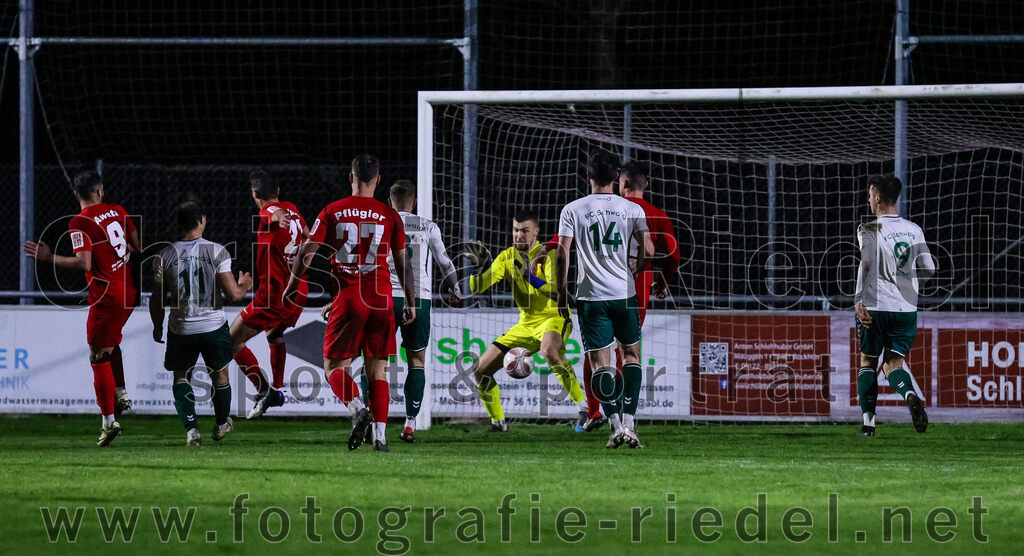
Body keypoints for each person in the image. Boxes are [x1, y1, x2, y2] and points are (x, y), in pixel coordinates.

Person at [283, 154, 416, 453]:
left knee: (334, 367)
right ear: (378, 180)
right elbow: (403, 262)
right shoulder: (389, 214)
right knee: (377, 371)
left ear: (350, 177)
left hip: (349, 296)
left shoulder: (333, 210)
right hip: (382, 298)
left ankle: (357, 408)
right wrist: (410, 301)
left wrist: (292, 285)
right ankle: (380, 437)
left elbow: (307, 251)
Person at [24, 170, 140, 446]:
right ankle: (121, 393)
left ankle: (109, 422)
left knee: (98, 355)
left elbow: (84, 263)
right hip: (128, 293)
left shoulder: (79, 222)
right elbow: (136, 246)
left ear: (77, 195)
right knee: (110, 343)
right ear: (100, 191)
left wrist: (49, 257)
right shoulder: (117, 210)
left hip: (108, 297)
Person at [555, 151, 652, 448]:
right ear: (615, 178)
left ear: (588, 177)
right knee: (632, 356)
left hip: (591, 297)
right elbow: (648, 246)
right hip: (624, 294)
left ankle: (614, 427)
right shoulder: (631, 208)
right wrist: (638, 267)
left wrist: (561, 293)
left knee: (600, 365)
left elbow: (562, 253)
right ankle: (631, 424)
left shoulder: (573, 209)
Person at [465, 209, 588, 432]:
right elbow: (477, 288)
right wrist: (478, 269)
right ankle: (498, 422)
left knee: (549, 350)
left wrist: (530, 278)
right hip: (525, 324)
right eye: (515, 230)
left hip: (554, 317)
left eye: (524, 231)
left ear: (536, 232)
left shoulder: (548, 254)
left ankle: (584, 409)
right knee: (479, 370)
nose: (518, 235)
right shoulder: (507, 257)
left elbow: (558, 293)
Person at [151, 203, 252, 445]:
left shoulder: (164, 255)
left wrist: (157, 325)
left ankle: (191, 430)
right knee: (220, 375)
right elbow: (235, 295)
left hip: (181, 327)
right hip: (213, 326)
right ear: (201, 221)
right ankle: (220, 424)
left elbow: (157, 299)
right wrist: (246, 284)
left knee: (180, 377)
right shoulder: (217, 251)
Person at [854, 174, 935, 436]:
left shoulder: (869, 229)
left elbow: (866, 265)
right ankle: (910, 394)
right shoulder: (913, 230)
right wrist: (907, 284)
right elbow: (929, 269)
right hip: (906, 308)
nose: (868, 199)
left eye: (869, 195)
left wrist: (858, 298)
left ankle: (868, 424)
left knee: (868, 360)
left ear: (877, 198)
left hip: (876, 306)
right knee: (893, 364)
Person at [385, 180, 462, 442]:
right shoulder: (428, 226)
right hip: (419, 298)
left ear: (389, 201)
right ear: (414, 201)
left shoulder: (382, 223)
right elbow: (444, 261)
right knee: (416, 363)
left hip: (385, 298)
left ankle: (374, 421)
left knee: (375, 362)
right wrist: (456, 289)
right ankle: (410, 423)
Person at [230, 169, 309, 419]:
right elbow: (307, 236)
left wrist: (277, 216)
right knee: (274, 334)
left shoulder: (268, 213)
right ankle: (277, 386)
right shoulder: (294, 208)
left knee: (231, 341)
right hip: (298, 291)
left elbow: (271, 213)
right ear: (278, 190)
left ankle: (266, 391)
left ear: (254, 194)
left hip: (273, 296)